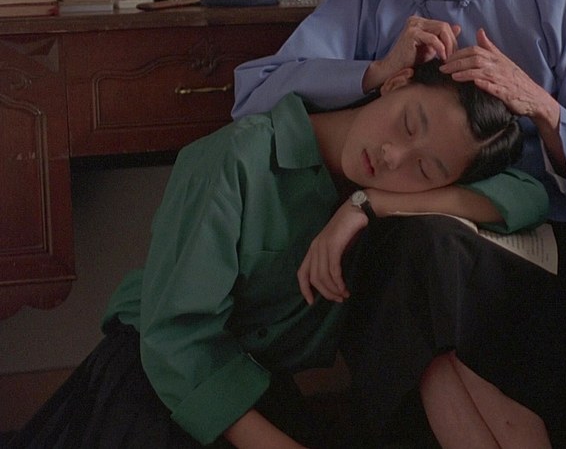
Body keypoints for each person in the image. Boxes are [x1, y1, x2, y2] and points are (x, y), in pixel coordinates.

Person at [9, 59, 536, 449]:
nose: (392, 155)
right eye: (406, 122)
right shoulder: (238, 157)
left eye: (424, 170)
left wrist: (365, 205)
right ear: (396, 83)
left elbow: (527, 195)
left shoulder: (376, 195)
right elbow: (175, 340)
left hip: (256, 387)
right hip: (156, 378)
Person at [233, 0, 566, 445]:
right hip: (414, 229)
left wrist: (540, 105)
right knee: (415, 258)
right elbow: (253, 98)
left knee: (424, 271)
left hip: (548, 236)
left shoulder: (558, 5)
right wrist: (377, 71)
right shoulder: (370, 6)